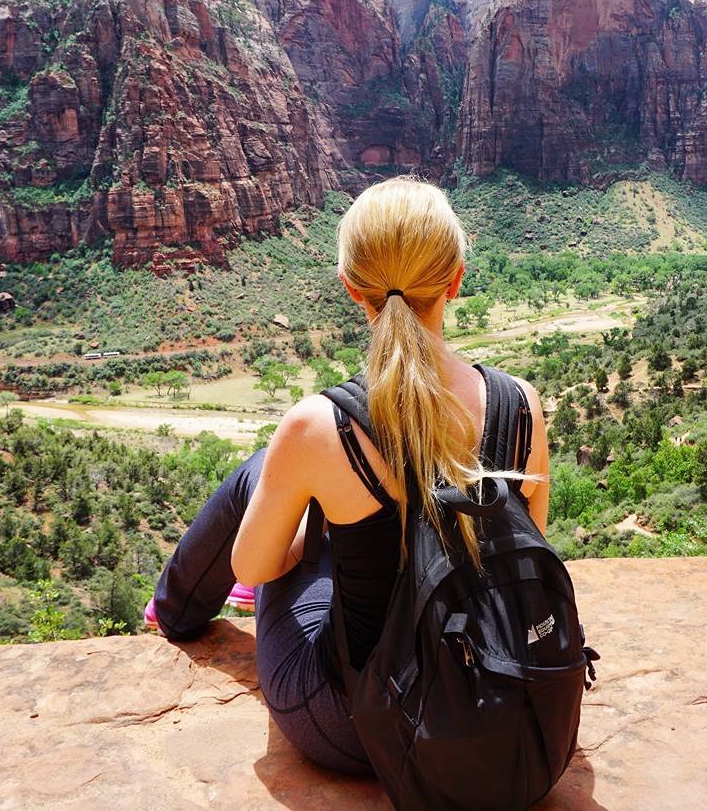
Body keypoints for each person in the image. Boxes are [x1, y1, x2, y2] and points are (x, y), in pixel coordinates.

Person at [146, 176, 550, 774]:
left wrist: (318, 538)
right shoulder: (521, 404)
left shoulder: (318, 426)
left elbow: (253, 568)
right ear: (456, 281)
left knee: (262, 473)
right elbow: (522, 551)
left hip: (353, 727)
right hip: (487, 700)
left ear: (352, 290)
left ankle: (173, 612)